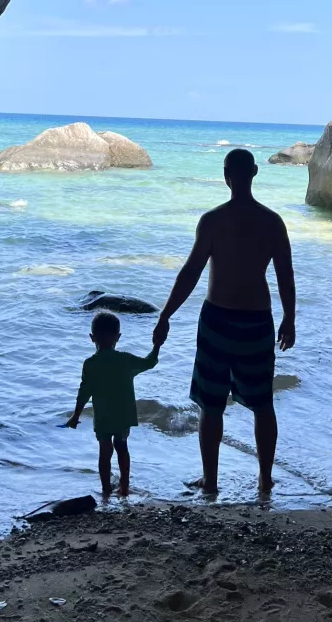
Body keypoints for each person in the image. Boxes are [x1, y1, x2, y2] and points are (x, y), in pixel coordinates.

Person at [153, 147, 296, 496]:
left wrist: (166, 314)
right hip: (258, 321)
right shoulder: (272, 222)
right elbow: (285, 276)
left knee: (211, 403)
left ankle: (211, 482)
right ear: (255, 172)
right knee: (262, 404)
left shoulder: (213, 221)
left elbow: (190, 273)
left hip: (217, 319)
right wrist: (289, 319)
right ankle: (264, 481)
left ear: (225, 175)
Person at [66, 310, 163, 496]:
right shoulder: (125, 360)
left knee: (105, 450)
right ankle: (124, 488)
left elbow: (84, 392)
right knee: (122, 447)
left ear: (91, 338)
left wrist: (76, 415)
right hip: (123, 415)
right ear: (118, 337)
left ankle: (105, 490)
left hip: (103, 417)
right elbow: (149, 362)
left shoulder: (90, 364)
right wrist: (157, 345)